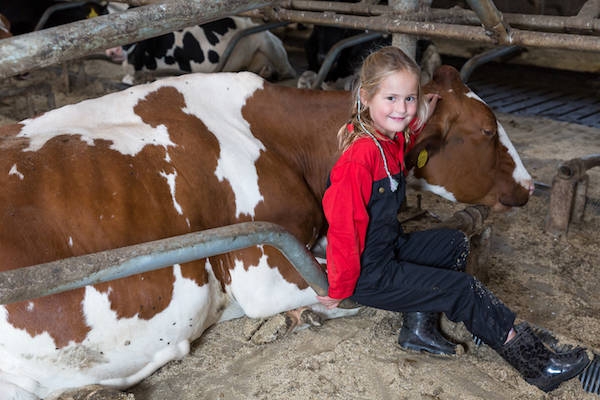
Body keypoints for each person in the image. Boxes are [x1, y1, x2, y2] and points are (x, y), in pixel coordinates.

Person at [316, 46, 590, 393]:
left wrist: (424, 115)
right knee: (463, 290)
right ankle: (539, 366)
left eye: (409, 99)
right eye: (391, 98)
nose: (401, 108)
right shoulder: (359, 159)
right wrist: (339, 288)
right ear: (366, 97)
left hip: (389, 249)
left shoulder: (387, 140)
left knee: (453, 243)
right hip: (369, 275)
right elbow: (343, 227)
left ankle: (418, 329)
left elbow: (403, 141)